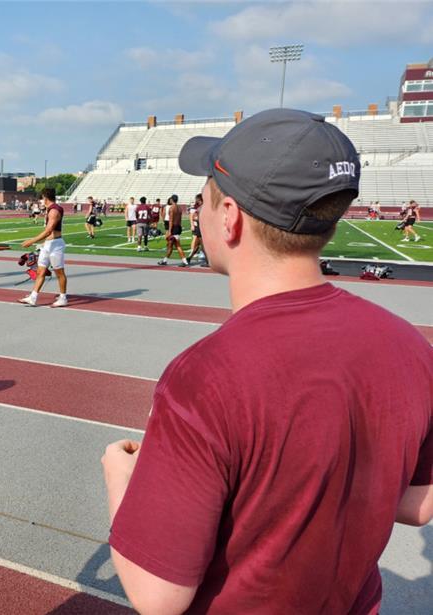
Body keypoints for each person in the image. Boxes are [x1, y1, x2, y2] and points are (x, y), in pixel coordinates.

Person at [102, 108, 432, 615]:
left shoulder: (206, 377)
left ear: (230, 217)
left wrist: (120, 477)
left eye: (204, 197)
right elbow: (418, 504)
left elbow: (158, 595)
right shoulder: (409, 345)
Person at [19, 188, 68, 307]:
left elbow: (48, 231)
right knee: (40, 271)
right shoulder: (49, 209)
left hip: (55, 245)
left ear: (45, 198)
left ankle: (63, 298)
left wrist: (31, 241)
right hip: (48, 244)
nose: (40, 201)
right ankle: (33, 297)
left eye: (41, 198)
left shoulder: (54, 211)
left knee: (59, 272)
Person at [158, 195, 188, 266]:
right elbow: (180, 219)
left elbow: (171, 220)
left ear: (172, 200)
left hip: (173, 228)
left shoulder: (172, 208)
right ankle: (165, 260)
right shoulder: (179, 208)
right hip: (177, 227)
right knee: (173, 245)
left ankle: (185, 261)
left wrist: (170, 231)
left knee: (175, 246)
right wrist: (179, 227)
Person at [187, 192, 206, 264]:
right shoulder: (199, 207)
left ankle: (208, 261)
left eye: (197, 199)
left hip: (201, 228)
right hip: (199, 227)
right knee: (198, 244)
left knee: (201, 245)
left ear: (200, 199)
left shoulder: (202, 207)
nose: (196, 201)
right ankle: (189, 258)